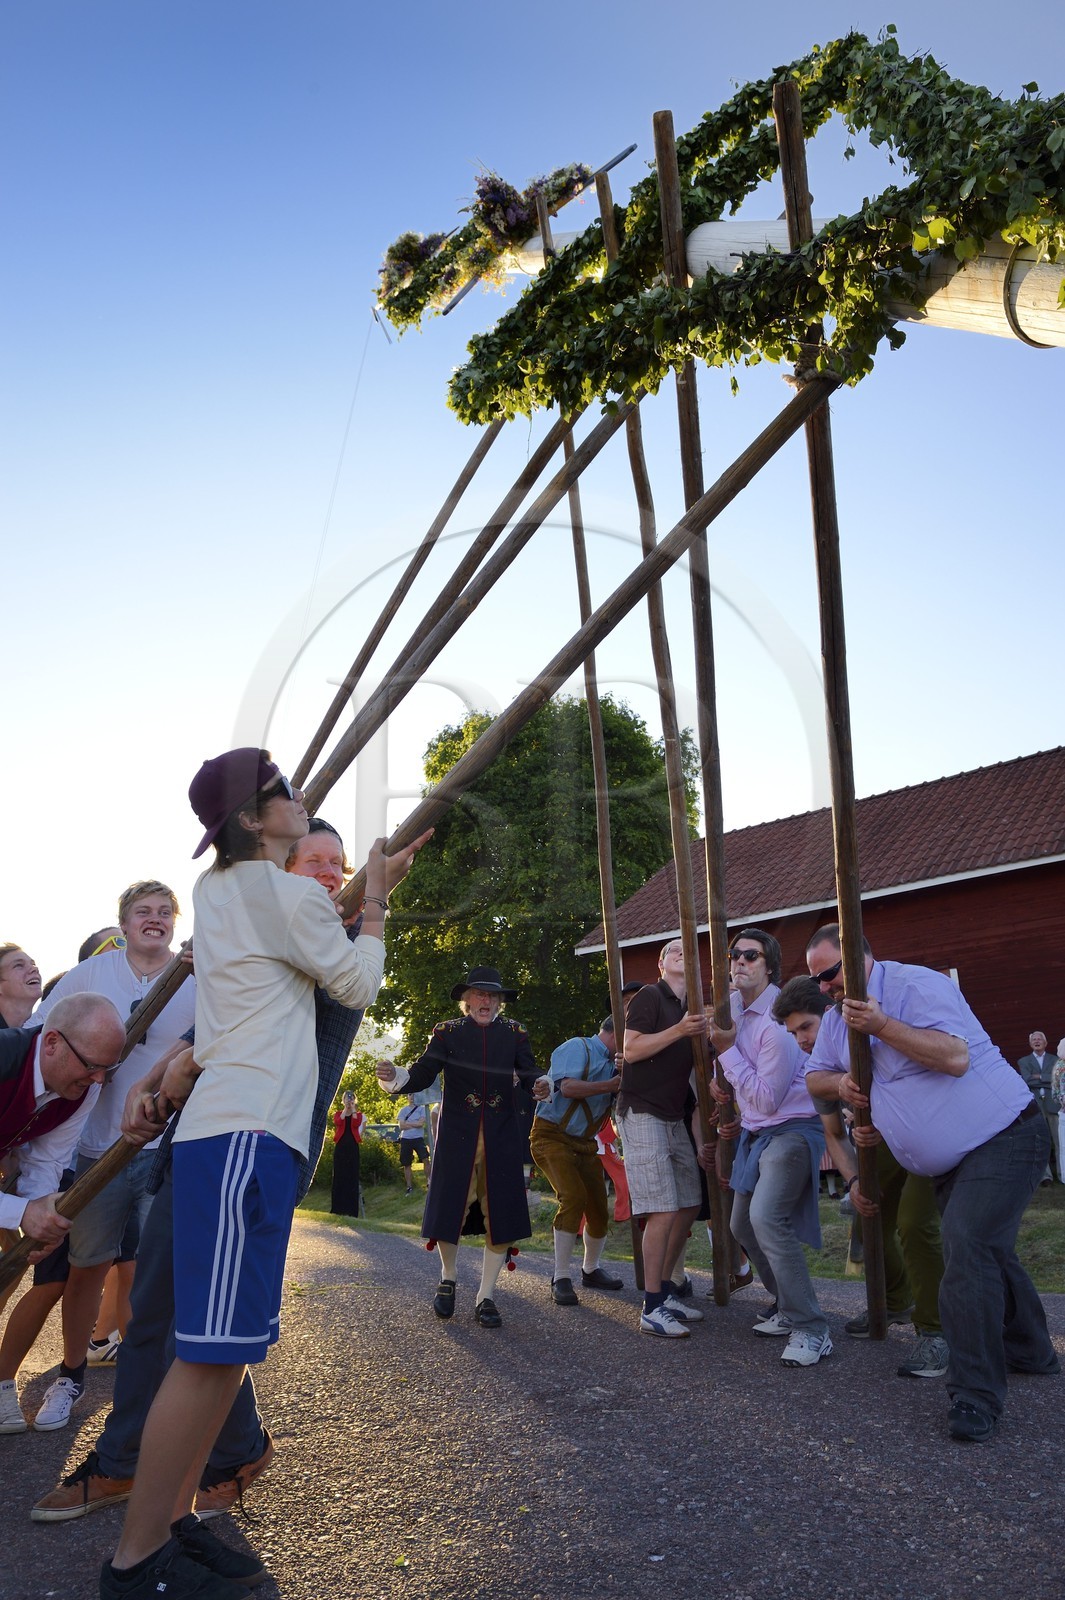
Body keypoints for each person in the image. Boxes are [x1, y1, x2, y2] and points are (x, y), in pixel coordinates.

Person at [98, 748, 426, 1600]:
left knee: (227, 1350)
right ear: (254, 819)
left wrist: (173, 1068)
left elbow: (238, 1009)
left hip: (240, 1131)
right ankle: (135, 1563)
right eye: (282, 791)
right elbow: (355, 984)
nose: (298, 797)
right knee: (208, 1355)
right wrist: (378, 897)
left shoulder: (221, 893)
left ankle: (173, 1522)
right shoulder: (280, 895)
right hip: (246, 1134)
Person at [31, 813, 392, 1526]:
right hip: (195, 1142)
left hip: (260, 1145)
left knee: (201, 1331)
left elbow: (345, 974)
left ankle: (171, 1475)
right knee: (158, 1317)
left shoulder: (335, 936)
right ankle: (161, 1461)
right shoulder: (259, 926)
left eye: (337, 865)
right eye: (311, 861)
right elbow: (213, 1031)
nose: (326, 874)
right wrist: (156, 1079)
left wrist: (377, 891)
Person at [805, 923, 1059, 1445]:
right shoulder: (834, 1020)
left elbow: (954, 1057)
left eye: (829, 975)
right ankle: (1033, 1348)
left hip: (1006, 1136)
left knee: (966, 1245)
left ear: (860, 960)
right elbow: (813, 1078)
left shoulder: (918, 987)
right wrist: (841, 1082)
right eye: (817, 981)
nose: (825, 988)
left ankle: (974, 1394)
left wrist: (882, 1026)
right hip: (947, 1163)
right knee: (987, 1251)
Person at [26, 882, 196, 1432]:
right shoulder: (89, 977)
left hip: (166, 1145)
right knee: (86, 1268)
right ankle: (71, 1375)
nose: (154, 919)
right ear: (122, 924)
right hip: (97, 1149)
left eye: (164, 912)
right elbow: (38, 1036)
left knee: (153, 1273)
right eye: (142, 912)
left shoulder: (199, 974)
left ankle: (148, 1390)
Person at [771, 975, 948, 1379]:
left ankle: (937, 1331)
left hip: (923, 1133)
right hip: (881, 1145)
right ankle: (893, 1299)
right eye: (792, 1031)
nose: (800, 1039)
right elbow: (833, 1133)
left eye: (806, 1027)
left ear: (831, 1019)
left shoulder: (869, 1038)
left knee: (915, 1223)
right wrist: (854, 1183)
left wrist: (881, 1121)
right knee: (868, 1214)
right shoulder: (819, 1069)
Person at [377, 965, 549, 1329]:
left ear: (499, 1001)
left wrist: (542, 1084)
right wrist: (395, 1078)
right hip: (457, 1135)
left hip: (502, 1135)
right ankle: (448, 1277)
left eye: (491, 995)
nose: (485, 1000)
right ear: (466, 1000)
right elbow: (424, 1072)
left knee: (501, 1213)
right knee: (449, 1207)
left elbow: (530, 1071)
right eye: (478, 994)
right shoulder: (447, 1032)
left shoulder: (515, 1033)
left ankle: (486, 1296)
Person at [0, 996, 127, 1436]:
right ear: (51, 1042)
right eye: (92, 1065)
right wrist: (22, 1211)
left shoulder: (83, 1087)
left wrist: (39, 1218)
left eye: (106, 1070)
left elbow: (47, 1159)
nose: (99, 1080)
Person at [706, 929, 831, 1369]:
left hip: (793, 1129)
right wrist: (720, 1080)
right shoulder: (735, 1007)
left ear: (770, 967)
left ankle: (812, 1328)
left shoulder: (778, 1026)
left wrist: (727, 1057)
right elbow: (734, 1076)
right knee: (741, 1224)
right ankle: (786, 1304)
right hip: (757, 1134)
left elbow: (765, 1098)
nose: (739, 962)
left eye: (751, 956)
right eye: (734, 955)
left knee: (765, 1218)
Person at [616, 940, 707, 1339]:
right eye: (673, 951)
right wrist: (680, 1030)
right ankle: (651, 1306)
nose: (681, 953)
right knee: (663, 1208)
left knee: (689, 1202)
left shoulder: (695, 1007)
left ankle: (667, 1292)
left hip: (675, 1113)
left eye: (688, 949)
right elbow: (631, 1050)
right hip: (642, 1110)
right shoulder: (652, 995)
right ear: (661, 964)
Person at [530, 1015, 623, 1306]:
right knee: (573, 1197)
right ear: (615, 1033)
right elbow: (567, 1087)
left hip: (584, 1143)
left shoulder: (617, 1066)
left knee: (598, 1207)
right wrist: (612, 1085)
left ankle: (591, 1270)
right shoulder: (577, 1047)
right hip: (551, 1136)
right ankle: (560, 1277)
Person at [1016, 1031, 1061, 1182]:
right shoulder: (1024, 1061)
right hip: (1036, 1106)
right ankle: (1046, 1177)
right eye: (1033, 1039)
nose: (1036, 1041)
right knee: (1041, 1142)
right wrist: (1047, 1079)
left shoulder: (1055, 1059)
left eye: (1039, 1039)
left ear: (1045, 1043)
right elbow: (1027, 1080)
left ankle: (1062, 1174)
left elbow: (1057, 1079)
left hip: (1054, 1105)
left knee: (1059, 1141)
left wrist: (1039, 1077)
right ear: (1030, 1044)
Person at [332, 1090, 365, 1214]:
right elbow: (338, 1122)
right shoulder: (338, 1113)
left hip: (352, 1147)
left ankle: (351, 1210)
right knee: (339, 1176)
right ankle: (337, 1208)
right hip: (341, 1147)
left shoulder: (359, 1115)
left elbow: (356, 1123)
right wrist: (346, 1110)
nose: (348, 1100)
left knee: (352, 1176)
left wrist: (353, 1109)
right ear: (343, 1100)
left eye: (350, 1098)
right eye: (346, 1098)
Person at [397, 1094, 430, 1195]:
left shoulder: (421, 1109)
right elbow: (401, 1126)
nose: (412, 1097)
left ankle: (429, 1182)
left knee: (425, 1159)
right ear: (407, 1097)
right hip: (406, 1139)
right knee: (407, 1164)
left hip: (418, 1138)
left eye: (414, 1095)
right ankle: (409, 1186)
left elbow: (421, 1124)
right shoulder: (403, 1110)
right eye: (410, 1095)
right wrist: (414, 1123)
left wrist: (408, 1123)